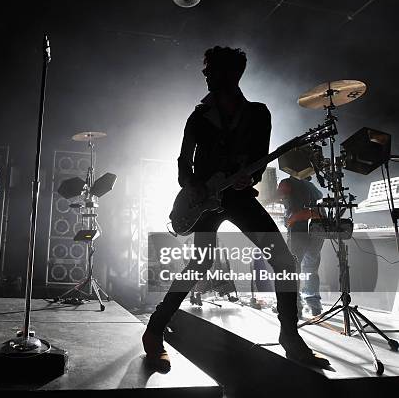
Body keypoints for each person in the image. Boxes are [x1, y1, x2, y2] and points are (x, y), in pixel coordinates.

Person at [141, 46, 329, 371]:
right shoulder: (198, 116)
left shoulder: (258, 114)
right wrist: (194, 187)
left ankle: (290, 336)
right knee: (199, 266)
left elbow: (258, 160)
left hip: (239, 197)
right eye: (206, 69)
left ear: (233, 74)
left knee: (283, 259)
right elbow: (183, 162)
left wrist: (249, 178)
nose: (205, 75)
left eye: (211, 69)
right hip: (204, 200)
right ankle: (154, 330)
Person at [277, 175, 325, 316]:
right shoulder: (309, 186)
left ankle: (295, 307)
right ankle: (313, 303)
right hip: (315, 229)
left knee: (294, 269)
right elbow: (319, 195)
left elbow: (276, 196)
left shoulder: (286, 183)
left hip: (298, 230)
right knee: (311, 267)